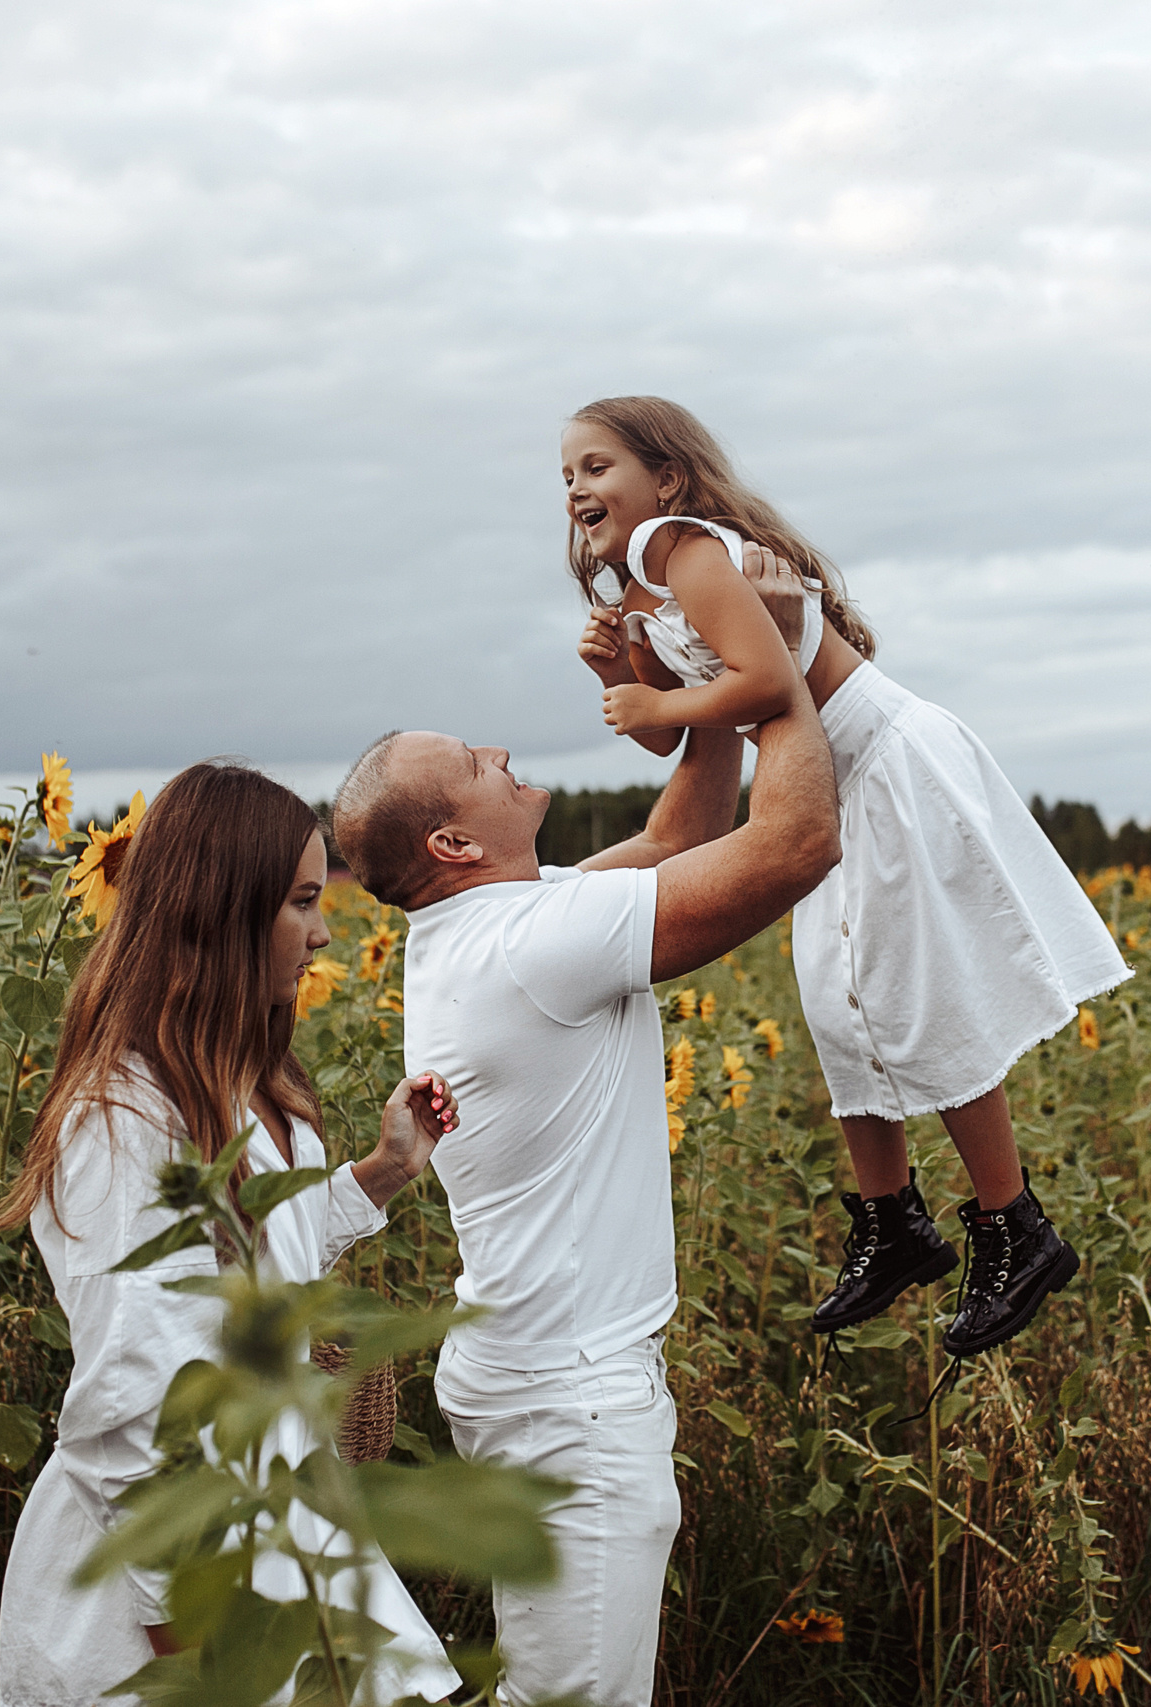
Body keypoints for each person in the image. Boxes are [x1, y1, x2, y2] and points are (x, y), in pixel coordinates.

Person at [327, 571, 840, 1707]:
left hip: (531, 1375)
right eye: (472, 760)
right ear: (457, 838)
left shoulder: (493, 923)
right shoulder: (533, 943)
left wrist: (682, 689)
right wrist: (770, 673)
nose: (499, 749)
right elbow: (798, 840)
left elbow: (680, 833)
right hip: (571, 1400)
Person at [559, 396, 1132, 1358]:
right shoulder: (643, 595)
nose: (578, 487)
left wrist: (656, 685)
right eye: (567, 475)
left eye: (597, 465)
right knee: (838, 1001)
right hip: (827, 785)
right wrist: (619, 665)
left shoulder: (680, 546)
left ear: (665, 477)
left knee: (920, 998)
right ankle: (893, 1220)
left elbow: (765, 687)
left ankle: (1014, 1225)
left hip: (885, 765)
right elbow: (680, 733)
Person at [0, 760, 463, 1707]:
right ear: (219, 910)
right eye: (298, 900)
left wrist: (383, 1171)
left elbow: (253, 1250)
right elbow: (129, 1406)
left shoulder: (244, 1081)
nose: (324, 928)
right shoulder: (122, 1116)